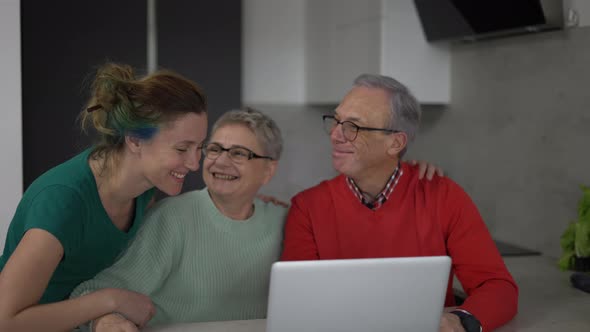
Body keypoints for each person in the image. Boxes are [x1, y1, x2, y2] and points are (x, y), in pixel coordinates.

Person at [280, 74, 518, 332]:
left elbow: (497, 287)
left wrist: (460, 320)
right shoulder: (306, 208)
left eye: (353, 126)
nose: (336, 134)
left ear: (395, 143)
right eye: (336, 121)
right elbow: (299, 304)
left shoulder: (444, 196)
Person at [0, 63, 208, 331]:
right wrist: (110, 300)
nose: (194, 163)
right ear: (134, 140)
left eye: (200, 147)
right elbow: (5, 320)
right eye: (182, 148)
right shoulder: (63, 202)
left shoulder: (145, 190)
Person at [70, 108, 286, 331]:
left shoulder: (285, 221)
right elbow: (94, 291)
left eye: (239, 153)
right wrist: (106, 320)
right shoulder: (171, 218)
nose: (220, 161)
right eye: (214, 149)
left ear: (268, 170)